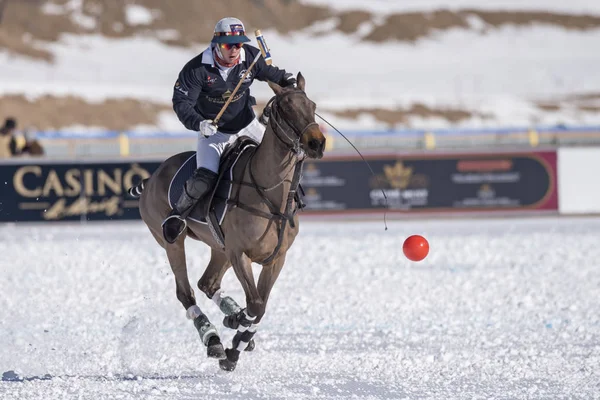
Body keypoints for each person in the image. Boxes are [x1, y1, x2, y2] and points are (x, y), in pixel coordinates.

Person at [162, 17, 297, 243]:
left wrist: (288, 81)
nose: (235, 50)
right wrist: (199, 123)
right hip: (215, 134)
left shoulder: (251, 58)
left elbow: (273, 75)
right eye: (229, 45)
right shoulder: (197, 69)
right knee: (205, 178)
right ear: (216, 43)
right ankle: (178, 215)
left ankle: (291, 204)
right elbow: (181, 103)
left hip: (248, 126)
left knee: (284, 157)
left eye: (239, 44)